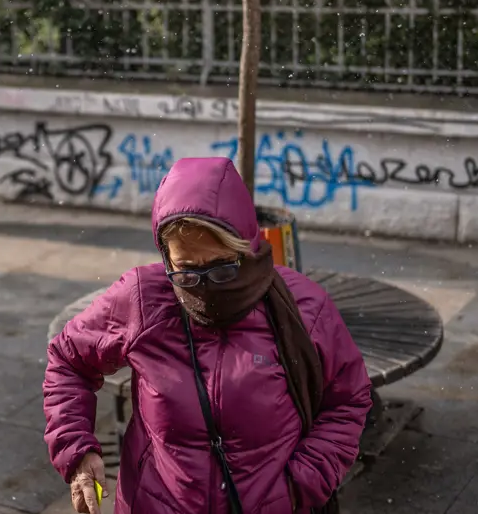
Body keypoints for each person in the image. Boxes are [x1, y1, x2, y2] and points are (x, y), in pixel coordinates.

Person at [43, 157, 372, 514]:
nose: (204, 288)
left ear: (245, 248)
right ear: (167, 259)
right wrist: (76, 448)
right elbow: (68, 361)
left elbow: (347, 400)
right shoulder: (142, 299)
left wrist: (300, 485)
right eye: (186, 272)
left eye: (221, 268)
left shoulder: (304, 308)